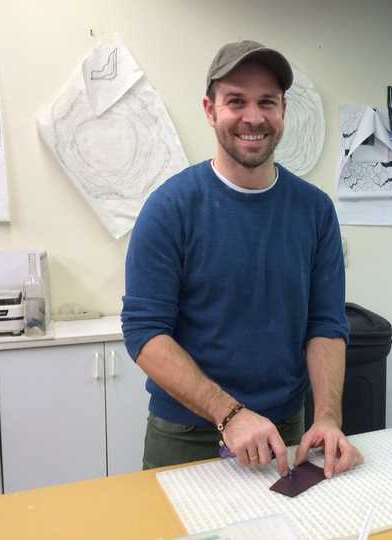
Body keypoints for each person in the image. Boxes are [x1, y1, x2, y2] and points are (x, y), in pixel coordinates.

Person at [121, 40, 361, 479]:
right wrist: (229, 414)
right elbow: (144, 331)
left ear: (283, 111)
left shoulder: (315, 211)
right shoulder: (169, 208)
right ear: (210, 110)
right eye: (236, 101)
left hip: (285, 430)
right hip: (185, 435)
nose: (253, 117)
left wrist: (327, 418)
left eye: (266, 102)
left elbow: (326, 326)